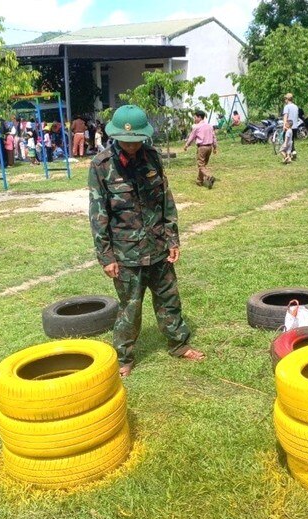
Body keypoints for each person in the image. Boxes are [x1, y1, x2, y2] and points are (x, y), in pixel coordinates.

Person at [88, 104, 205, 377]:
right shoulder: (101, 166)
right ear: (116, 136)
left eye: (136, 140)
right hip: (126, 252)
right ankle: (124, 358)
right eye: (127, 141)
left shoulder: (152, 157)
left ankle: (179, 344)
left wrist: (172, 238)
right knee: (130, 306)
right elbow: (98, 213)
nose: (132, 146)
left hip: (158, 246)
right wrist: (106, 256)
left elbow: (166, 199)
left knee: (170, 299)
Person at [183, 110, 217, 189]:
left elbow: (191, 137)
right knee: (203, 165)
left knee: (201, 165)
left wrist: (186, 145)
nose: (194, 119)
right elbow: (214, 137)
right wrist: (215, 147)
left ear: (199, 117)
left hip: (202, 147)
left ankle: (209, 176)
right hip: (209, 147)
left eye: (195, 117)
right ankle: (199, 181)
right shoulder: (209, 126)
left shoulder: (196, 127)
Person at [282, 93, 299, 160]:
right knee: (291, 141)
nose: (284, 100)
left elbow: (285, 116)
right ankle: (293, 152)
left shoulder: (286, 107)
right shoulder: (296, 106)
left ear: (287, 99)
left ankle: (287, 157)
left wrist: (284, 126)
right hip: (295, 126)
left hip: (288, 127)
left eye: (285, 99)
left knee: (285, 141)